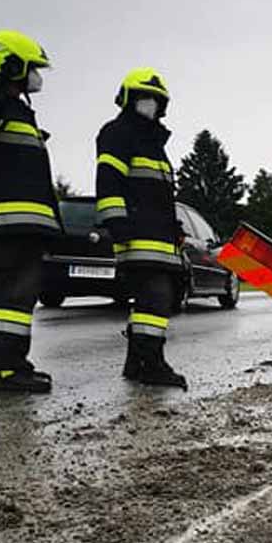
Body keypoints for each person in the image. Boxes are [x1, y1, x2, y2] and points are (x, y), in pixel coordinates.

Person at [95, 67, 187, 390]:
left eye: (156, 100)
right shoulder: (118, 133)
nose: (151, 104)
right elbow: (109, 182)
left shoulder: (154, 144)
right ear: (129, 100)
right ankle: (151, 364)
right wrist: (117, 224)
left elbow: (158, 196)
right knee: (155, 300)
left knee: (152, 300)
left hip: (157, 238)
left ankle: (137, 363)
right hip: (137, 237)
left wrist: (174, 226)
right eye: (145, 98)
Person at [0, 30, 59, 393]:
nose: (36, 77)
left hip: (20, 224)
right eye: (32, 67)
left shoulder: (14, 107)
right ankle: (4, 369)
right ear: (11, 64)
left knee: (14, 298)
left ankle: (10, 363)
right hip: (8, 224)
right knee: (12, 298)